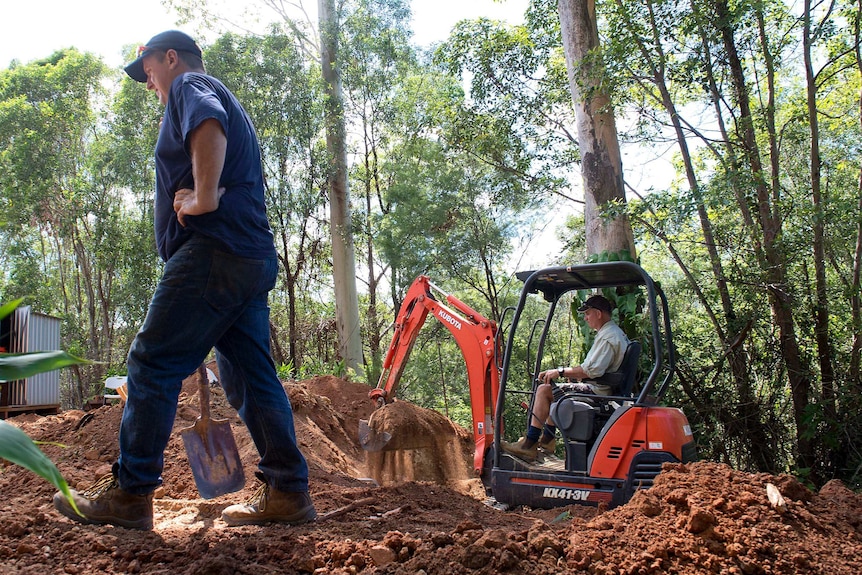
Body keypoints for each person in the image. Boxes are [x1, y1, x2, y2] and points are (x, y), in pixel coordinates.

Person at [53, 30, 315, 530]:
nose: (150, 83)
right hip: (247, 254)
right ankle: (288, 492)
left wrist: (203, 198)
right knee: (247, 376)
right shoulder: (207, 91)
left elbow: (207, 125)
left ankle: (130, 494)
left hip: (215, 251)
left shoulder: (191, 87)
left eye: (149, 71)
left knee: (151, 361)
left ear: (171, 59)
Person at [501, 294, 629, 462]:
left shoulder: (608, 337)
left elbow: (590, 370)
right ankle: (547, 441)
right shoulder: (613, 333)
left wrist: (560, 371)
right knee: (556, 391)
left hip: (600, 392)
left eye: (588, 313)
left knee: (544, 390)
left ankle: (529, 445)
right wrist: (572, 376)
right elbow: (595, 370)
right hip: (603, 388)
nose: (585, 318)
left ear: (598, 313)